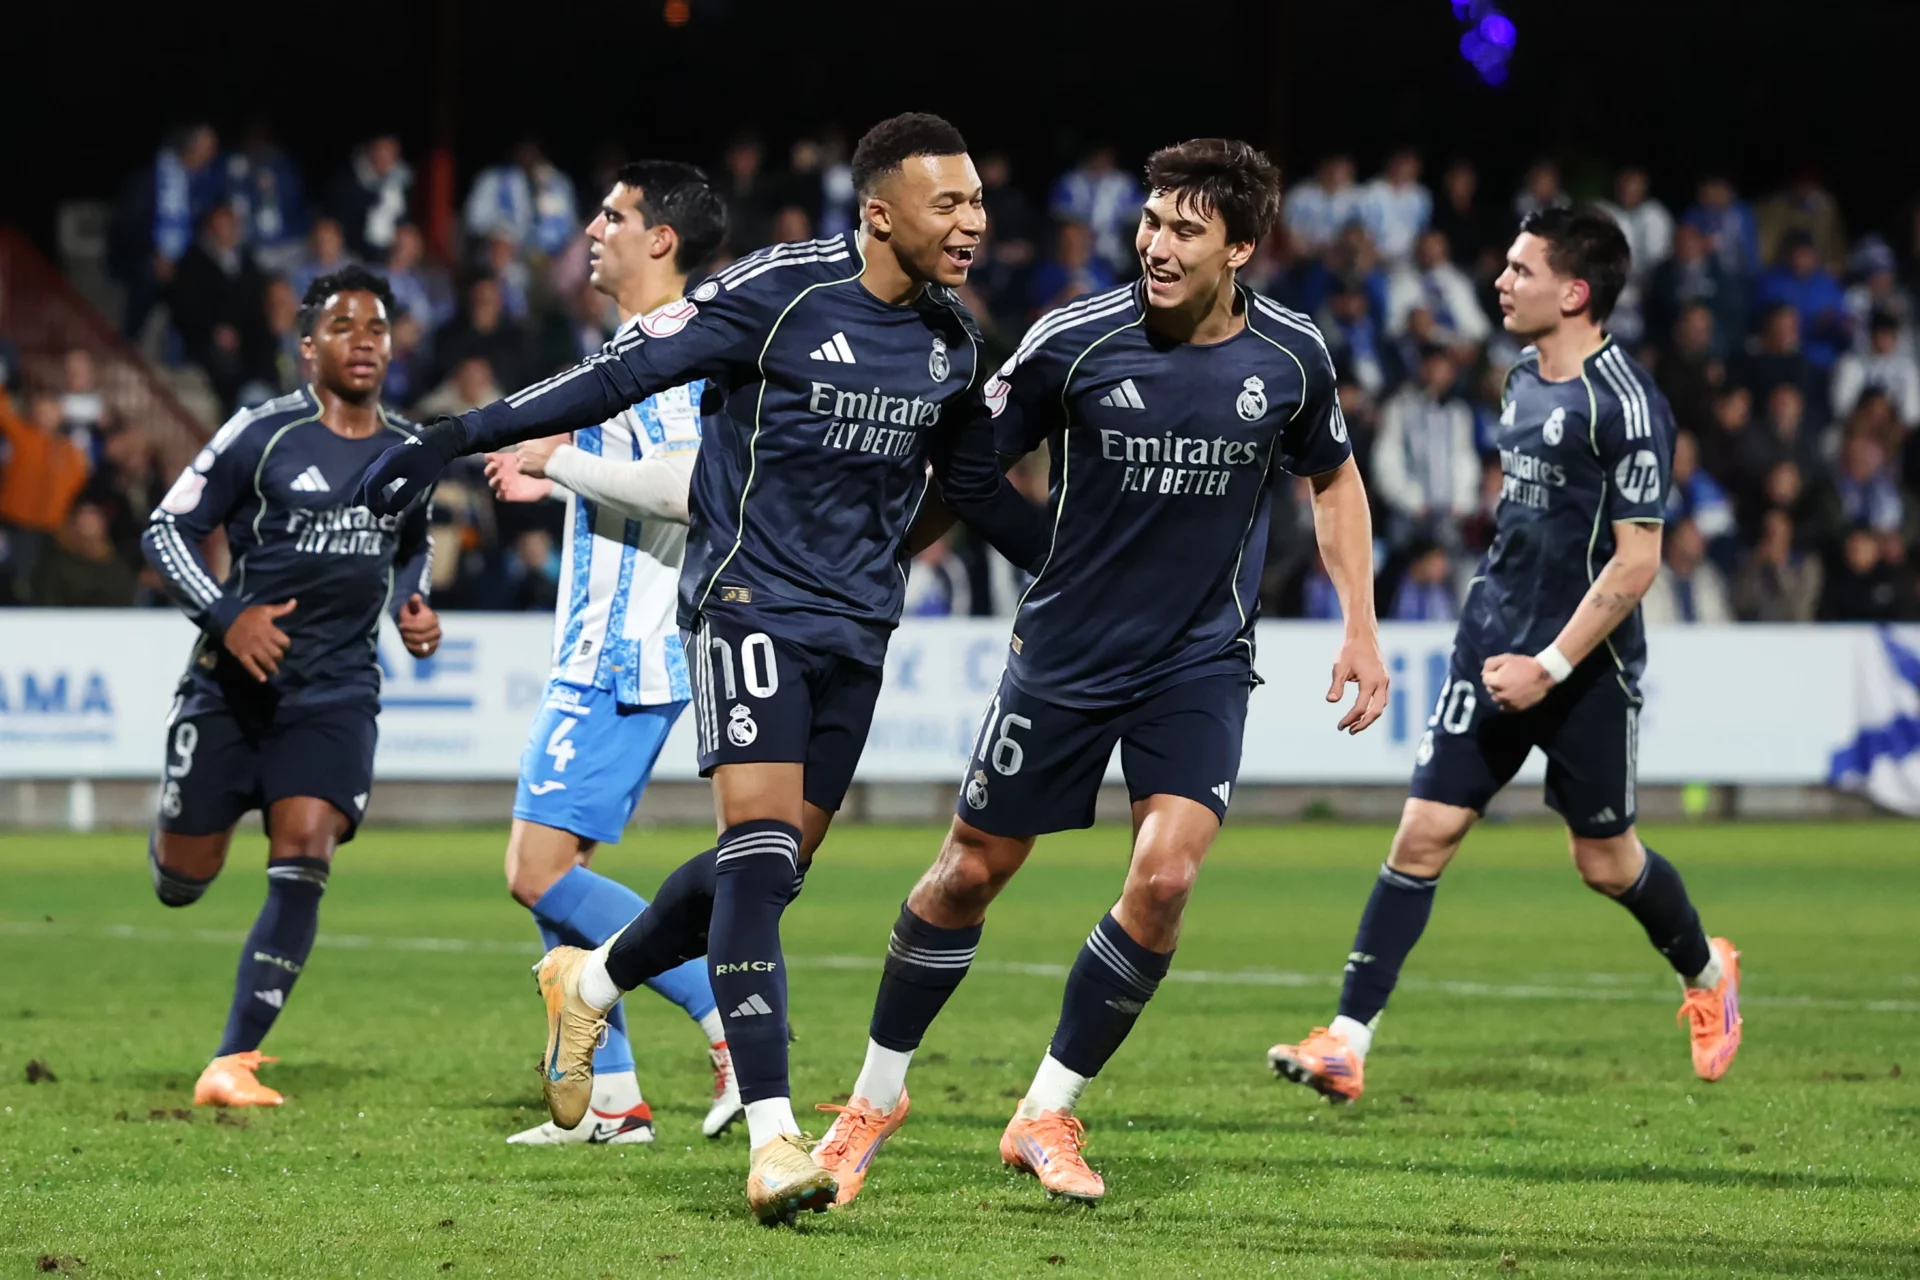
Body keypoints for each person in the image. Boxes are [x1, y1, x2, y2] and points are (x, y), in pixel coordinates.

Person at [352, 112, 1052, 1224]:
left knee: (763, 867)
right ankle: (774, 1137)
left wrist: (1073, 568)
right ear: (880, 212)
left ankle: (587, 979)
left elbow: (970, 486)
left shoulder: (954, 340)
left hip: (857, 633)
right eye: (949, 202)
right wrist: (449, 436)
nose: (974, 220)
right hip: (746, 604)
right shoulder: (775, 293)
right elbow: (610, 382)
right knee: (762, 853)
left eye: (976, 201)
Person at [809, 138, 1386, 1207]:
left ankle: (1045, 1108)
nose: (1156, 247)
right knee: (969, 872)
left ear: (1241, 248)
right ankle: (872, 1099)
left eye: (1185, 230)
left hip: (1198, 661)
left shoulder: (1293, 357)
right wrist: (1025, 554)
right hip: (1066, 654)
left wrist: (1360, 624)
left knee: (1165, 878)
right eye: (1152, 222)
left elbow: (1334, 478)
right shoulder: (1075, 339)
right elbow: (972, 464)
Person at [1267, 206, 1744, 1104]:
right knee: (1424, 832)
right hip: (1490, 647)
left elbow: (1637, 561)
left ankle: (1708, 974)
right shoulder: (1521, 379)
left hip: (1585, 670)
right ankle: (1345, 1040)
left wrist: (1550, 668)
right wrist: (1499, 640)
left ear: (1574, 291)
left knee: (1603, 860)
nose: (1502, 281)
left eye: (1522, 269)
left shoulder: (1630, 406)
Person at [477, 161, 742, 1146]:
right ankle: (613, 1099)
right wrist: (562, 486)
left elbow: (686, 484)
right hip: (611, 644)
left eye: (615, 214)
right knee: (561, 870)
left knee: (536, 870)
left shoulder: (669, 341)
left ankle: (725, 1026)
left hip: (620, 651)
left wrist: (561, 459)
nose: (593, 227)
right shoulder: (643, 342)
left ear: (661, 238)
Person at [139, 266, 442, 1109]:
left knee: (306, 849)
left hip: (336, 691)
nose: (365, 342)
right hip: (233, 690)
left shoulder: (407, 451)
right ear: (307, 347)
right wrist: (228, 615)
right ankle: (183, 837)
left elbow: (413, 539)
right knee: (180, 880)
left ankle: (232, 1062)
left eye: (377, 328)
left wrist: (414, 598)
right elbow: (167, 526)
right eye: (344, 328)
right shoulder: (261, 433)